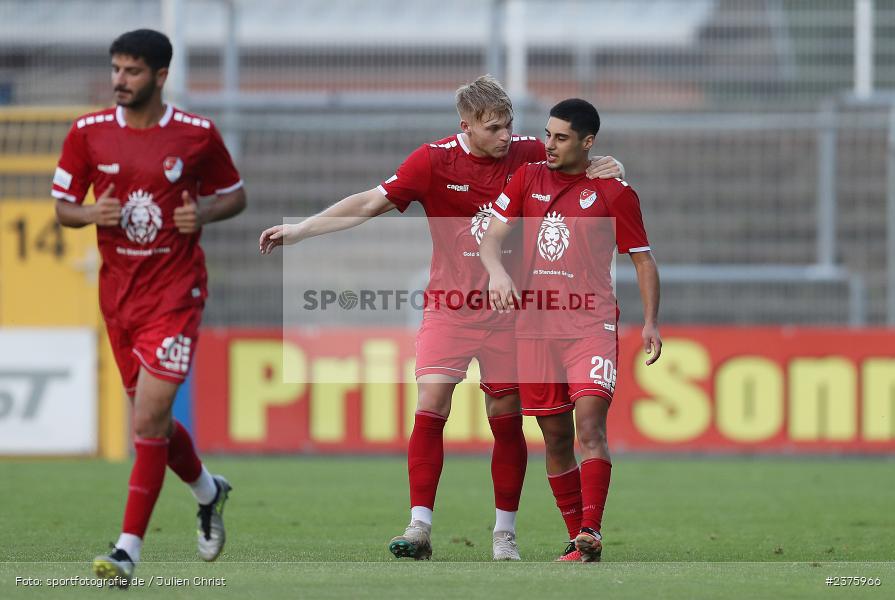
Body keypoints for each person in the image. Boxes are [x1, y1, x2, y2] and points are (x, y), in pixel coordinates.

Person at [259, 76, 624, 561]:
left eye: (510, 126)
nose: (505, 136)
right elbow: (369, 202)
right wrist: (301, 230)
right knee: (431, 403)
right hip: (450, 307)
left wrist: (613, 166)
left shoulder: (531, 152)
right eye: (493, 128)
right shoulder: (432, 161)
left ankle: (503, 534)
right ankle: (419, 526)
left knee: (505, 420)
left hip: (511, 313)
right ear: (465, 127)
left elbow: (583, 164)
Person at [52, 29, 246, 586]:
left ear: (161, 76)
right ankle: (209, 492)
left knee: (147, 418)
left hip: (175, 292)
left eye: (132, 71)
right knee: (152, 418)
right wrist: (92, 216)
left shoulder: (196, 135)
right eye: (116, 69)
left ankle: (127, 550)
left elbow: (236, 194)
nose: (120, 80)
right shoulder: (87, 133)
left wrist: (204, 212)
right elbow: (64, 206)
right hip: (119, 298)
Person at [479, 98, 662, 562]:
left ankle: (591, 530)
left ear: (587, 142)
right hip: (535, 329)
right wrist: (498, 273)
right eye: (547, 135)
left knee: (590, 428)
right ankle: (578, 541)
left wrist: (650, 323)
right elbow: (492, 237)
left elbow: (643, 259)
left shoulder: (614, 192)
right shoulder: (528, 178)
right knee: (556, 437)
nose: (549, 145)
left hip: (590, 326)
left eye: (561, 137)